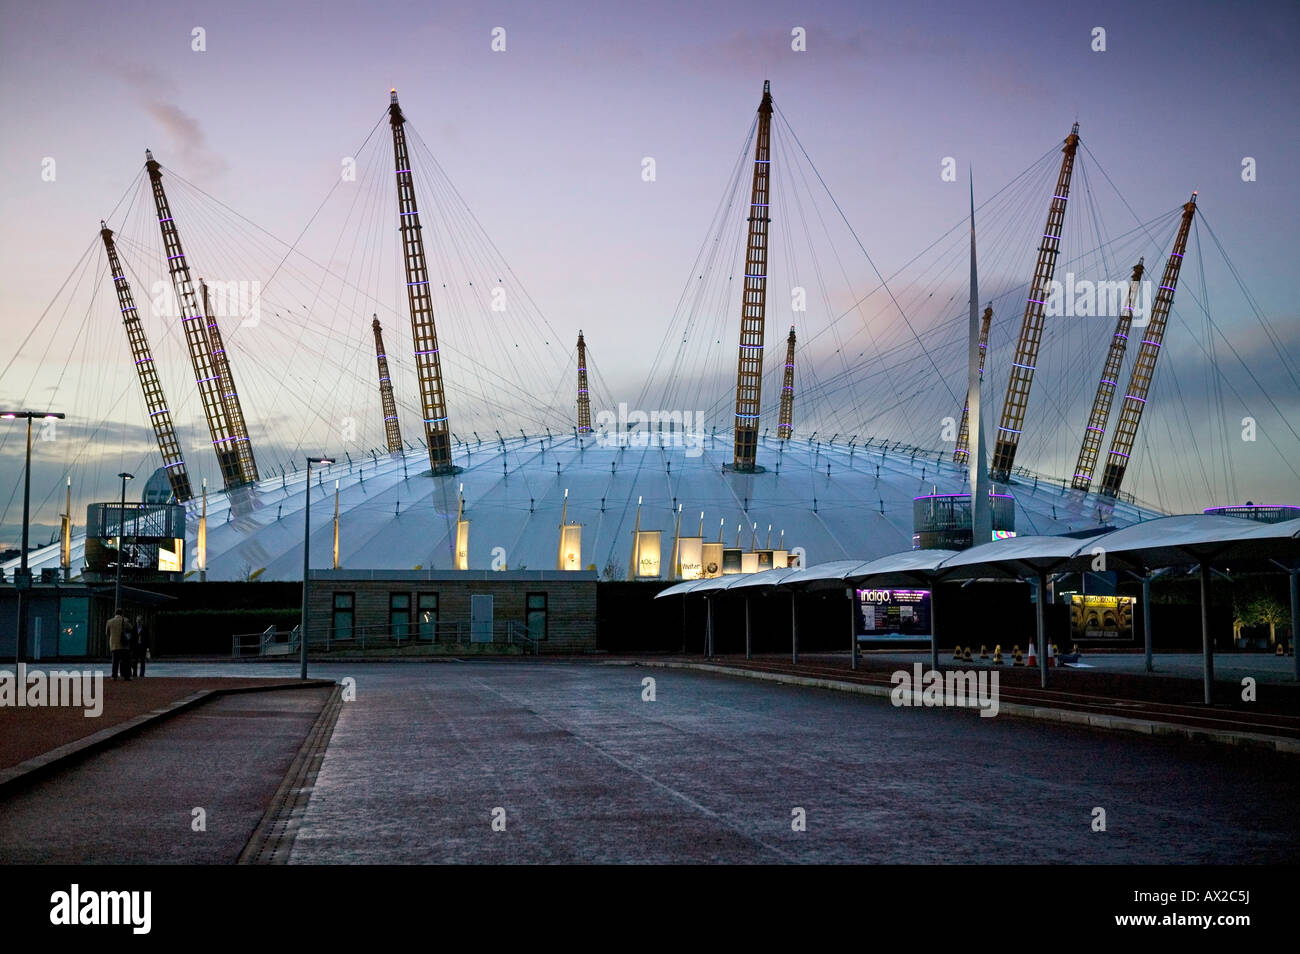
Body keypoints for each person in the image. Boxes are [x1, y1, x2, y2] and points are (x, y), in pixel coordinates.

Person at [106, 610, 131, 681]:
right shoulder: (125, 620)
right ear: (122, 614)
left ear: (115, 614)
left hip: (114, 645)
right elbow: (131, 628)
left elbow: (107, 633)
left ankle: (114, 676)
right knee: (126, 661)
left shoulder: (109, 621)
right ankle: (126, 676)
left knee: (115, 662)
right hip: (124, 645)